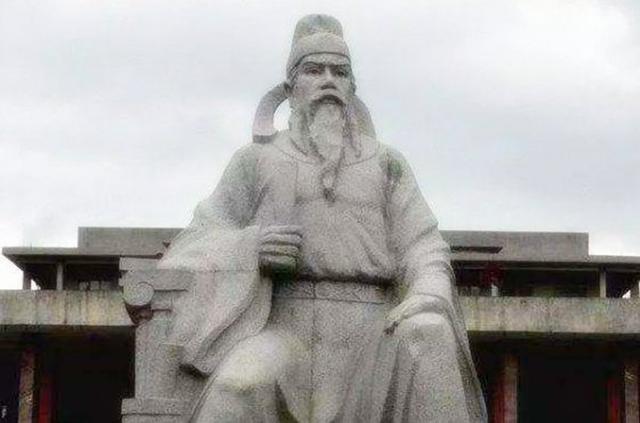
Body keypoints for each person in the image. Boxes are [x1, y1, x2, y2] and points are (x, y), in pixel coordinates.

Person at [159, 14, 487, 423]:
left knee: (429, 332)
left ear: (352, 88)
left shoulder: (386, 164)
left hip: (375, 332)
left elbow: (423, 246)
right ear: (291, 88)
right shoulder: (256, 161)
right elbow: (193, 245)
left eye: (340, 72)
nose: (328, 81)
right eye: (314, 70)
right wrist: (250, 248)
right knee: (238, 385)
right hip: (284, 331)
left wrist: (428, 292)